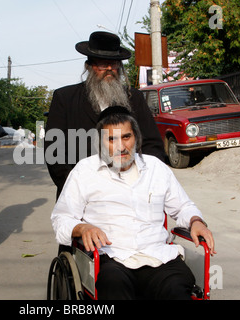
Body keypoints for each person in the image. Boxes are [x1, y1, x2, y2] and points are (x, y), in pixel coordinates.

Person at [51, 106, 216, 299]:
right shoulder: (84, 171)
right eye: (112, 139)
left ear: (136, 137)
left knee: (178, 287)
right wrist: (82, 228)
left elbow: (183, 207)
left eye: (126, 137)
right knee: (112, 285)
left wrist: (196, 221)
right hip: (112, 258)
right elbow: (61, 219)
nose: (121, 146)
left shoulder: (156, 168)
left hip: (159, 256)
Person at [45, 31, 166, 198]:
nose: (109, 69)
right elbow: (55, 154)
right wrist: (79, 191)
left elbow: (153, 146)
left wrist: (145, 183)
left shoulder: (135, 98)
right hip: (82, 196)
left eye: (114, 64)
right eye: (103, 64)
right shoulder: (65, 99)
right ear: (89, 65)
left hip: (131, 194)